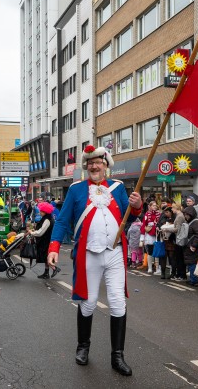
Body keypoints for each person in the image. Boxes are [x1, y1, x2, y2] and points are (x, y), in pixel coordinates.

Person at [46, 145, 142, 376]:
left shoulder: (118, 187)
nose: (94, 166)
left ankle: (117, 356)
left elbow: (131, 216)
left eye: (98, 162)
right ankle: (83, 347)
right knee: (88, 302)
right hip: (89, 253)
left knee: (118, 302)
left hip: (115, 253)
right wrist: (54, 247)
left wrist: (137, 205)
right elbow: (62, 221)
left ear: (106, 165)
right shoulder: (76, 189)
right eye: (90, 163)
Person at [27, 201, 55, 279]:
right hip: (46, 240)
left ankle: (53, 269)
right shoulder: (47, 218)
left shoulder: (47, 220)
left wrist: (32, 232)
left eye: (41, 211)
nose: (40, 212)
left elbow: (41, 232)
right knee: (46, 257)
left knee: (45, 256)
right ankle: (47, 272)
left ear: (45, 211)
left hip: (46, 241)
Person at [182, 205, 198, 287]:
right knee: (191, 262)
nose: (185, 216)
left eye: (187, 215)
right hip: (191, 245)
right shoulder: (192, 222)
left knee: (192, 263)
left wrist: (194, 245)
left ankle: (194, 280)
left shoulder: (196, 222)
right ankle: (193, 279)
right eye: (185, 214)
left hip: (193, 246)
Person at [140, 200, 161, 274]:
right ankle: (150, 268)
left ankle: (157, 268)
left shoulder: (159, 214)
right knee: (150, 252)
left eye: (155, 205)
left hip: (157, 234)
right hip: (149, 234)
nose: (155, 207)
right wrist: (142, 238)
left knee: (157, 251)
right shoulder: (147, 214)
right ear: (150, 206)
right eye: (153, 205)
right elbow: (143, 225)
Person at [172, 203, 187, 281]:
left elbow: (177, 229)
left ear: (176, 208)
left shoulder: (180, 216)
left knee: (180, 258)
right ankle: (180, 274)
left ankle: (182, 275)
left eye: (172, 208)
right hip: (178, 239)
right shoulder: (179, 215)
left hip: (179, 239)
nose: (172, 209)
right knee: (178, 257)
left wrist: (167, 229)